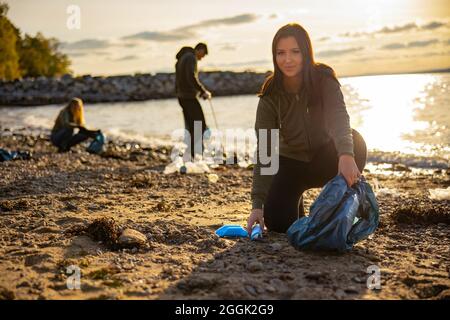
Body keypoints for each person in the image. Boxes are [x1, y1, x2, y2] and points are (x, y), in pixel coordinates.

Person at [247, 23, 367, 234]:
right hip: (290, 166)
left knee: (356, 142)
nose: (287, 59)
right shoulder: (270, 95)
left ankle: (340, 206)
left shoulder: (324, 79)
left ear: (306, 52)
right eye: (280, 53)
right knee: (279, 224)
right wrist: (257, 205)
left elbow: (339, 117)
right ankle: (294, 200)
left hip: (325, 159)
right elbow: (266, 150)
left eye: (295, 51)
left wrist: (346, 154)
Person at [175, 42, 212, 159]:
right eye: (203, 54)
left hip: (182, 96)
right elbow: (191, 76)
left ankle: (192, 152)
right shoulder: (191, 57)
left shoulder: (182, 58)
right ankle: (198, 151)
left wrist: (196, 92)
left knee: (191, 125)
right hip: (188, 97)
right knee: (200, 124)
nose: (202, 58)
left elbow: (182, 78)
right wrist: (202, 91)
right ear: (200, 50)